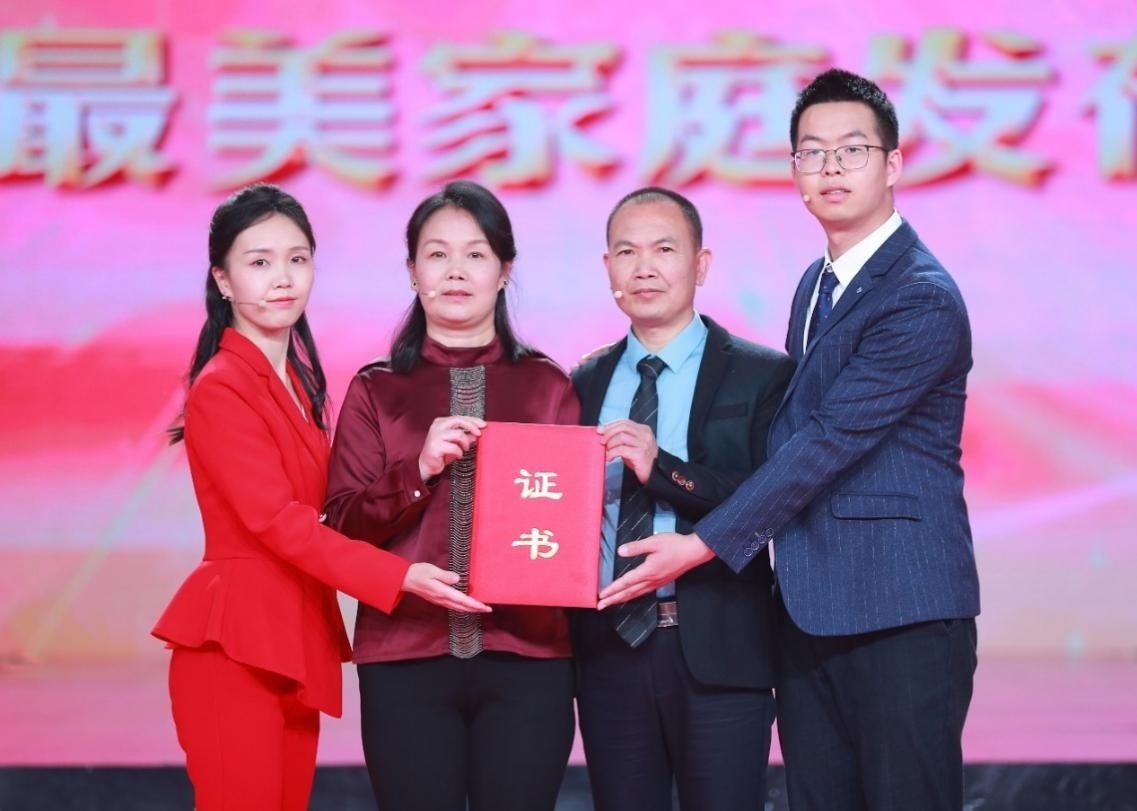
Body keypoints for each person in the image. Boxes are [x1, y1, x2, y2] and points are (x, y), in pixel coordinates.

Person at [598, 69, 981, 811]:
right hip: (811, 611)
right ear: (795, 170)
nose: (831, 168)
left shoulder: (920, 297)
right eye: (812, 152)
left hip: (900, 608)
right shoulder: (816, 283)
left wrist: (701, 543)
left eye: (852, 150)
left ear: (893, 164)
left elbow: (827, 442)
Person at [152, 184, 489, 811]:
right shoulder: (224, 385)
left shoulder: (296, 383)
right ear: (222, 280)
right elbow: (279, 522)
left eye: (297, 259)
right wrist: (399, 574)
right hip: (236, 644)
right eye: (259, 262)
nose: (282, 278)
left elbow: (330, 509)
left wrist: (417, 470)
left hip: (290, 640)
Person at [322, 180, 579, 811]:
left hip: (529, 656)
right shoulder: (376, 389)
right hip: (404, 654)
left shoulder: (547, 385)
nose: (455, 271)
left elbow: (573, 528)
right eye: (437, 254)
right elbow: (341, 527)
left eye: (475, 253)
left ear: (504, 270)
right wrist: (417, 469)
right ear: (413, 271)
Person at [571, 187, 794, 810]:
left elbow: (772, 495)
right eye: (627, 252)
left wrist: (661, 467)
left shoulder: (761, 373)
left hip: (720, 649)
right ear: (608, 268)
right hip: (610, 648)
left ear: (701, 264)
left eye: (664, 249)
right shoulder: (581, 382)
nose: (644, 267)